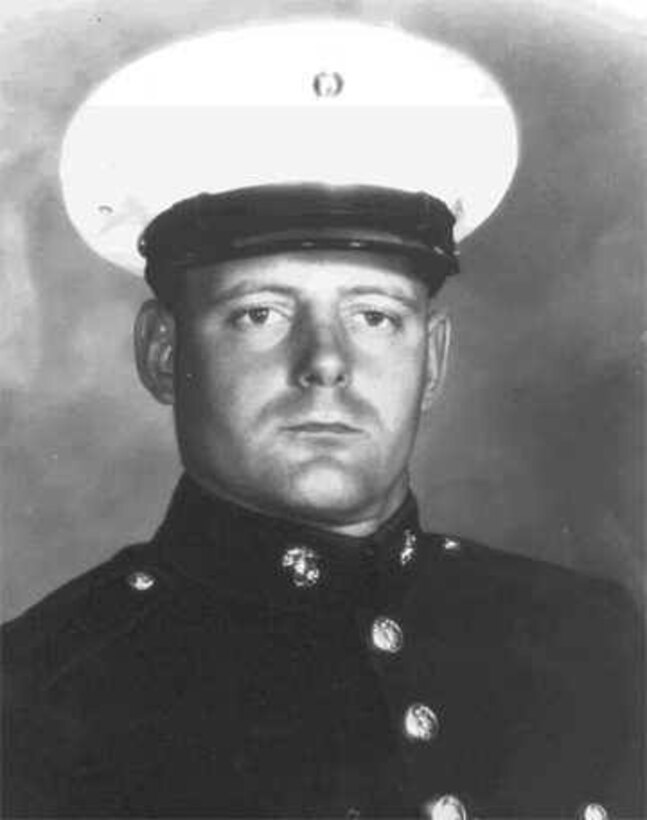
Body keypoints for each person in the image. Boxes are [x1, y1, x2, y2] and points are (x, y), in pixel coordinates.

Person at [2, 21, 644, 820]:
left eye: (375, 316)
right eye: (260, 313)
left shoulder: (589, 640)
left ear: (433, 360)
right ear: (163, 353)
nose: (326, 362)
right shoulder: (37, 696)